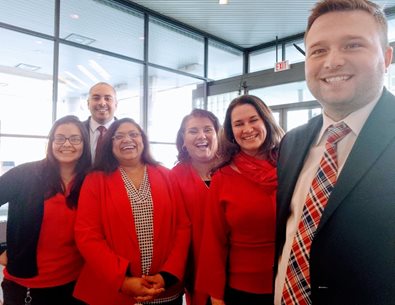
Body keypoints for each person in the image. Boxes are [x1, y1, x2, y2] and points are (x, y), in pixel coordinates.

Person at [274, 1, 395, 304]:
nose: (332, 62)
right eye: (318, 50)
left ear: (387, 57)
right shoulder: (292, 142)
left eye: (353, 45)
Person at [74, 118, 191, 305]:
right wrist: (122, 279)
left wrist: (168, 274)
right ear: (109, 144)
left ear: (143, 140)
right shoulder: (95, 180)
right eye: (118, 136)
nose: (127, 139)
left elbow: (183, 227)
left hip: (164, 289)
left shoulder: (168, 176)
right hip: (114, 289)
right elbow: (87, 235)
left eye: (134, 134)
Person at [196, 95, 284, 305]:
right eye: (238, 124)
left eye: (253, 120)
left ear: (266, 121)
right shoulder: (222, 177)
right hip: (241, 289)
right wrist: (216, 295)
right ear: (231, 132)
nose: (247, 129)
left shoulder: (291, 165)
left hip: (289, 281)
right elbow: (213, 240)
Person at [0, 115, 91, 305]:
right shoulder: (25, 174)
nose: (67, 144)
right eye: (59, 138)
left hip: (75, 285)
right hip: (26, 287)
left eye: (75, 138)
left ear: (84, 143)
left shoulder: (90, 181)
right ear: (51, 142)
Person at [171, 109, 220, 305]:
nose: (202, 136)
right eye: (193, 131)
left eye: (208, 129)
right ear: (183, 139)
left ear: (218, 134)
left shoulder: (233, 169)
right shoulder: (173, 177)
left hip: (236, 269)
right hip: (194, 269)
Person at [83, 82, 118, 161]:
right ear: (88, 104)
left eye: (107, 98)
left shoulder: (127, 133)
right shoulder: (77, 130)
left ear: (116, 104)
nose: (102, 103)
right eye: (96, 98)